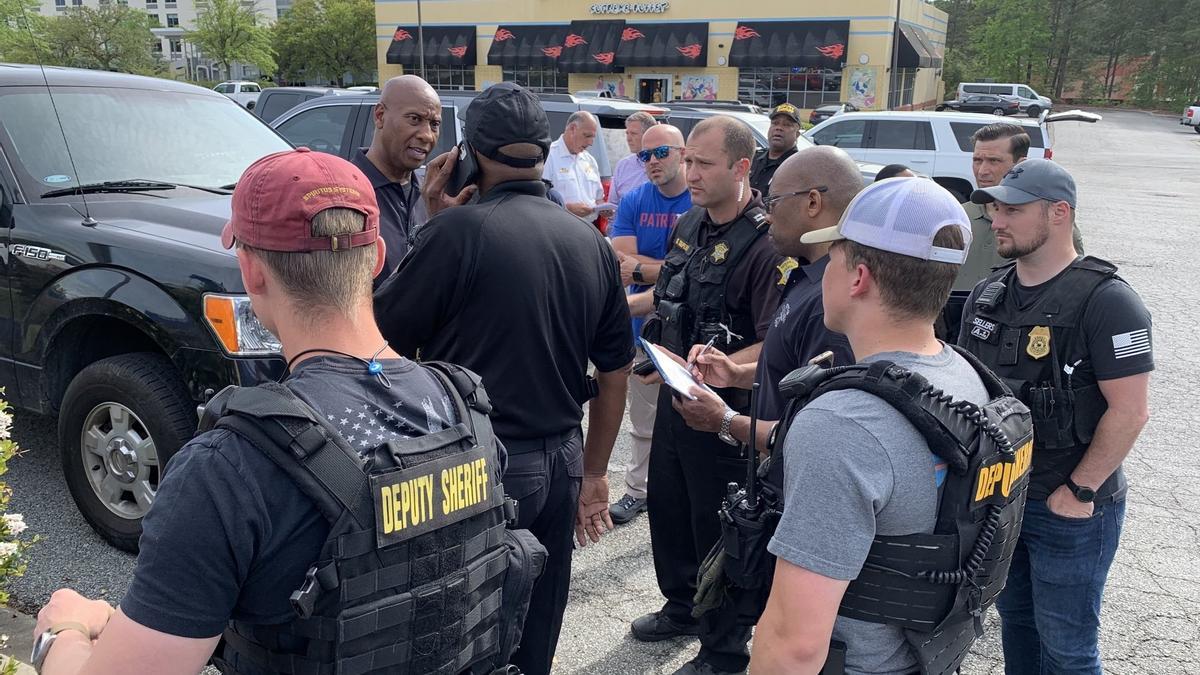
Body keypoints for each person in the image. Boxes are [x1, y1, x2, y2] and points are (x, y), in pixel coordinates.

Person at [31, 148, 534, 675]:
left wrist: (62, 631)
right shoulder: (465, 410)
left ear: (251, 272)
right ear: (379, 257)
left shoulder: (227, 468)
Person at [373, 83, 634, 675]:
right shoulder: (588, 242)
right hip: (563, 463)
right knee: (537, 627)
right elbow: (614, 371)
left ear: (469, 154)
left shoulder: (455, 233)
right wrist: (595, 474)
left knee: (462, 632)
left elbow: (381, 339)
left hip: (478, 468)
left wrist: (431, 228)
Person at [750, 178, 986, 673]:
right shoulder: (963, 375)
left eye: (831, 257)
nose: (823, 271)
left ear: (858, 277)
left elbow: (794, 642)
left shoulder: (842, 422)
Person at [961, 159, 1153, 674]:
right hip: (1005, 499)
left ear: (1060, 213)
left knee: (1067, 649)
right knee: (1017, 627)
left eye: (1013, 210)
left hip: (1072, 507)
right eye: (995, 208)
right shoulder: (987, 295)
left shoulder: (1108, 301)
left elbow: (1131, 410)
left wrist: (1081, 491)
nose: (997, 220)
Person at [632, 115, 785, 675]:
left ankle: (722, 650)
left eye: (703, 163)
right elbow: (672, 296)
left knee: (721, 528)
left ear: (742, 167)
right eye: (687, 160)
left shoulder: (767, 245)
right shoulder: (692, 223)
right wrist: (654, 351)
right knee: (669, 510)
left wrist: (724, 370)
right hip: (677, 398)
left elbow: (774, 343)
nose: (688, 172)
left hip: (725, 414)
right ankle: (682, 607)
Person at [673, 145, 859, 449]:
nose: (767, 216)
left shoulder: (833, 301)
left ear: (813, 202)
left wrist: (725, 420)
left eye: (773, 202)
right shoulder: (808, 276)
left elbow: (813, 437)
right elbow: (791, 371)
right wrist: (734, 373)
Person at [607, 123, 692, 525]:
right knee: (642, 423)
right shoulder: (635, 200)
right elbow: (623, 265)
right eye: (644, 156)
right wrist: (667, 271)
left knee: (690, 421)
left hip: (688, 336)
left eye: (661, 153)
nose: (652, 163)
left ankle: (680, 496)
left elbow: (698, 269)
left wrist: (647, 271)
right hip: (643, 335)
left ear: (683, 152)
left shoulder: (699, 201)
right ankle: (637, 491)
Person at [351, 74, 440, 284]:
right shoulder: (345, 194)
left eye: (434, 124)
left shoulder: (432, 197)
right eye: (414, 119)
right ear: (380, 116)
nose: (427, 135)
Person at [543, 110, 609, 225]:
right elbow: (539, 200)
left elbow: (598, 198)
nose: (591, 142)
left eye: (593, 137)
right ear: (573, 129)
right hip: (560, 226)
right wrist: (566, 208)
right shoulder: (549, 156)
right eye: (587, 136)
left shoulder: (590, 160)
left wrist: (603, 207)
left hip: (589, 228)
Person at [748, 103, 801, 195]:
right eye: (775, 123)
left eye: (787, 125)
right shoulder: (754, 158)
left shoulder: (798, 165)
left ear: (797, 134)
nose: (779, 128)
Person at [610, 111, 658, 207]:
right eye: (627, 133)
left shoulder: (663, 164)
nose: (628, 138)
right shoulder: (623, 165)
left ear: (648, 135)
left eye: (633, 133)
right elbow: (613, 203)